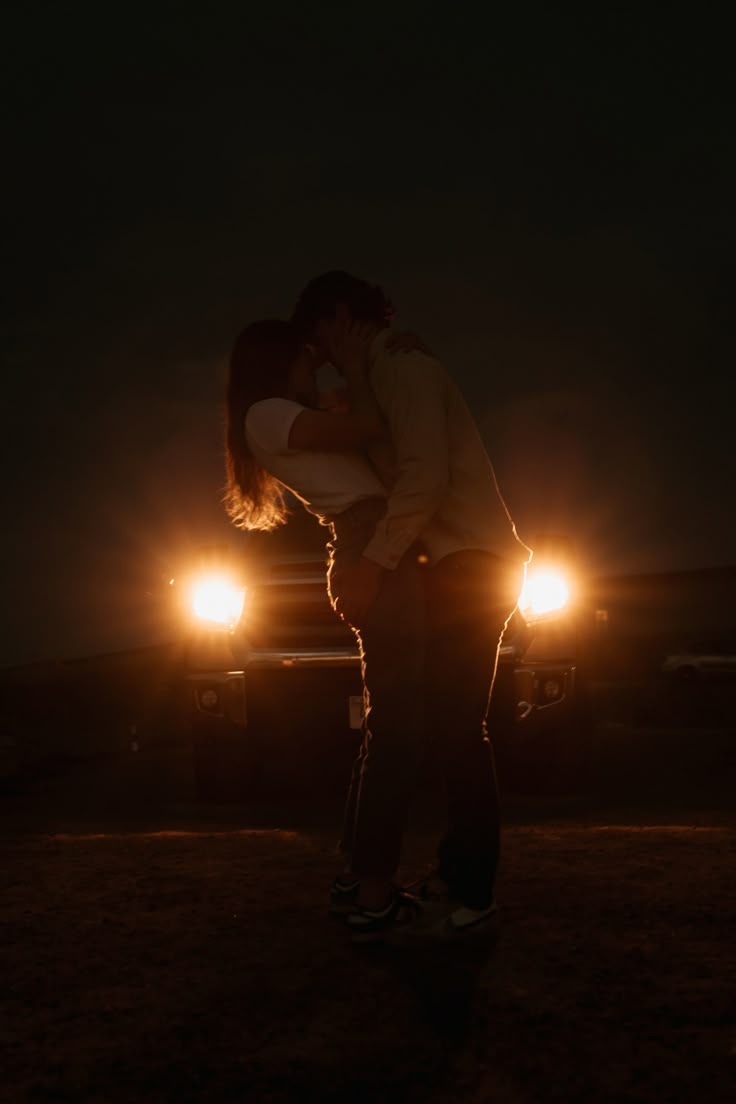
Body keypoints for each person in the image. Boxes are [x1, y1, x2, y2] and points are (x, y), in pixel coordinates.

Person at [290, 271, 532, 942]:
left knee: (461, 729)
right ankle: (458, 874)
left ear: (339, 317)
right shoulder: (383, 377)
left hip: (472, 564)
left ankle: (475, 890)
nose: (324, 355)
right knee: (451, 726)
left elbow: (424, 479)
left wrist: (372, 562)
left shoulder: (407, 369)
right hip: (455, 565)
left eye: (320, 339)